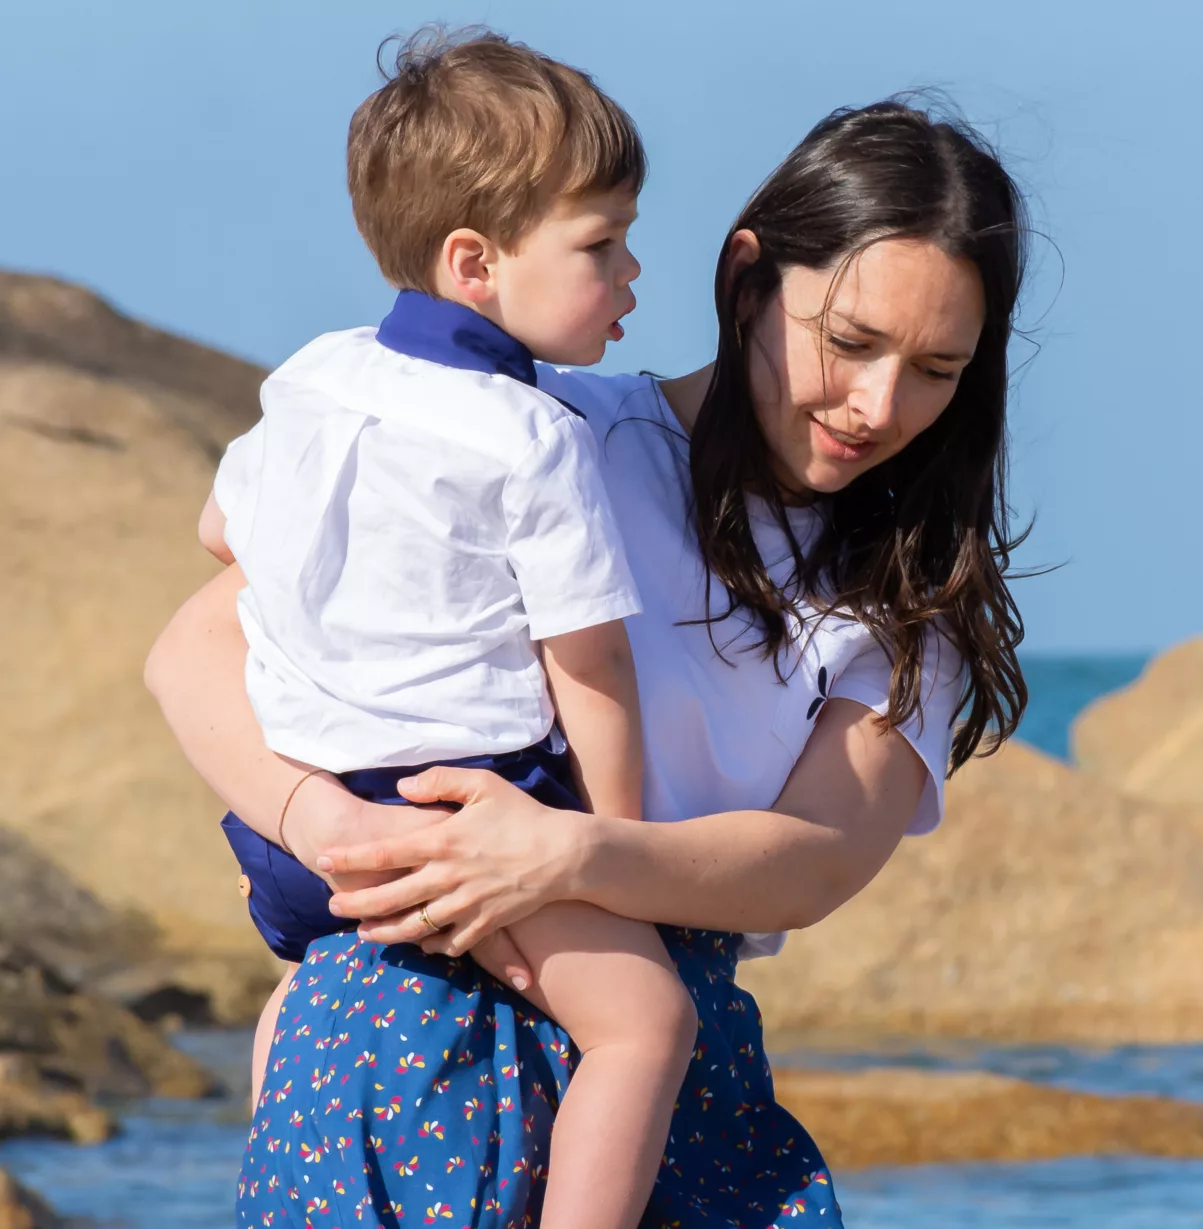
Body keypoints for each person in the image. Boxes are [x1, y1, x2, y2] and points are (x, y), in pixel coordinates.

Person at [147, 89, 1031, 1228]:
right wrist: (323, 824)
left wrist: (570, 854)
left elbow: (814, 856)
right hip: (386, 1045)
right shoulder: (543, 435)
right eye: (850, 342)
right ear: (747, 278)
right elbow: (200, 643)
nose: (879, 404)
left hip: (659, 1107)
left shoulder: (907, 601)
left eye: (938, 369)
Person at [196, 30, 697, 1229]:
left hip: (303, 835)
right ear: (475, 261)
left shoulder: (318, 374)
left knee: (302, 999)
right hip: (464, 814)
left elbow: (219, 528)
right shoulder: (535, 436)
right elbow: (592, 666)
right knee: (646, 1024)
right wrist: (614, 855)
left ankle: (289, 1179)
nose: (632, 269)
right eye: (601, 243)